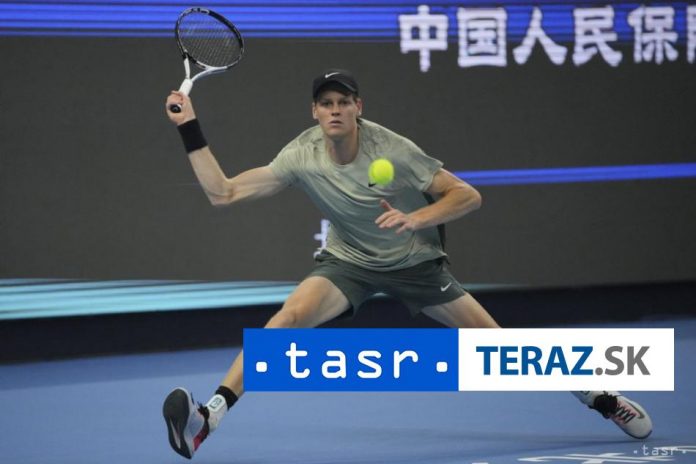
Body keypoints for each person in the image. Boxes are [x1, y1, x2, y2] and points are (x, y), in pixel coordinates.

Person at [162, 69, 653, 459]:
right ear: (315, 111)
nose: (335, 110)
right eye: (326, 103)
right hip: (350, 261)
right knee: (286, 320)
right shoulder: (302, 154)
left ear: (358, 108)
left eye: (344, 102)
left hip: (416, 264)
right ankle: (209, 418)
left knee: (501, 346)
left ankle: (600, 398)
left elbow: (467, 195)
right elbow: (223, 193)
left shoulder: (393, 150)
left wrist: (416, 217)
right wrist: (189, 127)